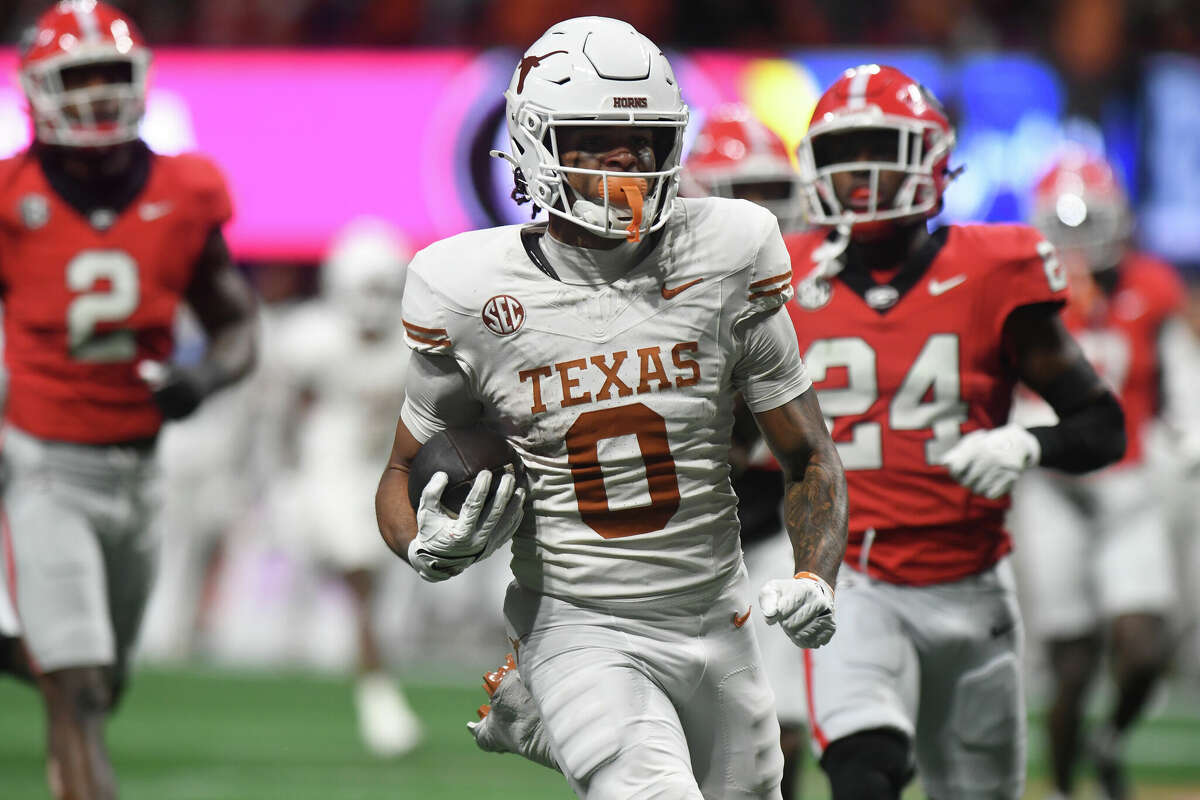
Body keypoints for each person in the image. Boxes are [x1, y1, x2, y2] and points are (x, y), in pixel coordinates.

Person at [376, 16, 848, 800]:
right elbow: (399, 468)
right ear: (533, 143)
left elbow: (808, 456)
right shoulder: (465, 291)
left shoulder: (730, 253)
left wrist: (814, 575)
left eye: (646, 140)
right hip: (578, 623)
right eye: (595, 137)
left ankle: (544, 726)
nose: (627, 159)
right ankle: (555, 701)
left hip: (716, 614)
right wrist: (421, 543)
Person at [784, 65, 1124, 800]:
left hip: (972, 585)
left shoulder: (995, 267)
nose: (865, 173)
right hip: (856, 579)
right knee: (863, 772)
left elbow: (1104, 425)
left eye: (883, 146)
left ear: (934, 158)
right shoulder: (782, 274)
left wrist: (1027, 443)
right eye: (846, 153)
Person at [0, 3, 257, 799]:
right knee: (76, 687)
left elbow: (236, 327)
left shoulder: (188, 189)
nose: (97, 94)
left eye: (110, 73)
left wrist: (203, 379)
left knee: (99, 682)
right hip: (44, 465)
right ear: (41, 90)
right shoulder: (11, 197)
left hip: (141, 472)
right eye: (79, 77)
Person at [1010, 151, 1185, 800]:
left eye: (1091, 223)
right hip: (1052, 488)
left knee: (1144, 646)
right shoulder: (1019, 295)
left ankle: (1108, 743)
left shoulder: (1151, 285)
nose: (1079, 243)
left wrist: (1187, 429)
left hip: (1127, 484)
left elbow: (1175, 376)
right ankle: (1062, 784)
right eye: (1065, 225)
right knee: (1073, 659)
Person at [684, 102, 810, 800]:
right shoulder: (659, 289)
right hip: (676, 537)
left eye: (773, 193)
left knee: (781, 730)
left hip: (771, 527)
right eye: (748, 193)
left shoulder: (810, 290)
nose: (765, 212)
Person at [271, 218, 422, 757]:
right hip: (327, 466)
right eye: (367, 287)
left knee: (381, 587)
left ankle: (369, 678)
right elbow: (285, 413)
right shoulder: (310, 337)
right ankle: (376, 689)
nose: (375, 302)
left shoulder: (414, 342)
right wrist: (282, 474)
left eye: (385, 287)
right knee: (359, 576)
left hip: (385, 468)